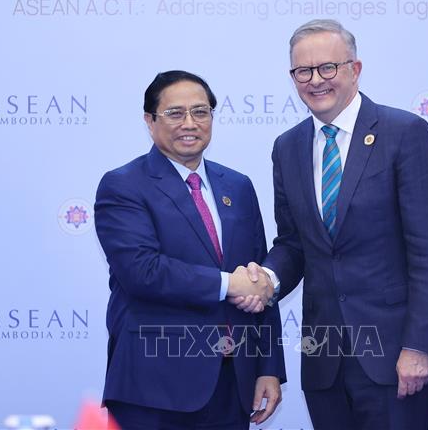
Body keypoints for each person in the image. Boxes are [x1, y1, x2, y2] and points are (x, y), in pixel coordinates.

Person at [238, 19, 428, 429]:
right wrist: (267, 279)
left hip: (398, 355)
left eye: (328, 67)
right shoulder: (287, 147)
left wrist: (417, 346)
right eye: (303, 71)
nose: (315, 80)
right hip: (324, 358)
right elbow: (294, 243)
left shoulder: (404, 133)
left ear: (355, 69)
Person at [94, 70, 285, 430]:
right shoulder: (123, 186)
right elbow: (142, 272)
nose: (190, 123)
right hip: (154, 387)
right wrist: (229, 284)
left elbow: (258, 277)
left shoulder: (238, 186)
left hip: (233, 383)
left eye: (200, 112)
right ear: (149, 120)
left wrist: (269, 368)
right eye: (174, 113)